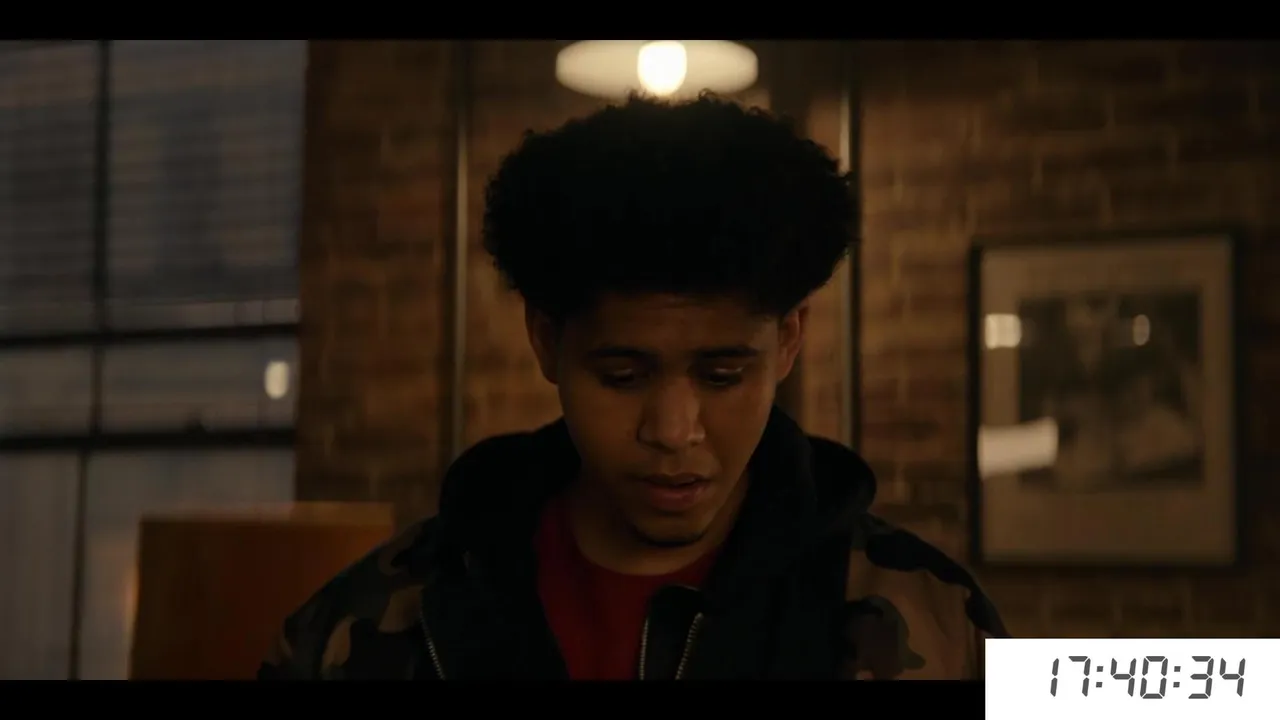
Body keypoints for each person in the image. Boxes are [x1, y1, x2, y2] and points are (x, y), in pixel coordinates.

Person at [258, 94, 1007, 681]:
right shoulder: (365, 626)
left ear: (788, 341)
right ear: (546, 340)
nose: (674, 431)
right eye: (622, 376)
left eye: (723, 375)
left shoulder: (937, 622)